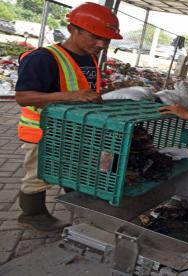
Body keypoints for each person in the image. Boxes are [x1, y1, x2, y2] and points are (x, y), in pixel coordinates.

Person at [14, 2, 122, 231]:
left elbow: (84, 89)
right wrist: (71, 96)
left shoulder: (90, 57)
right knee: (38, 174)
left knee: (76, 167)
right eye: (95, 37)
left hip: (73, 129)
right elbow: (23, 97)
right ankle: (32, 214)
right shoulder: (43, 58)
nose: (102, 44)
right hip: (44, 131)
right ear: (73, 29)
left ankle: (83, 203)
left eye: (107, 40)